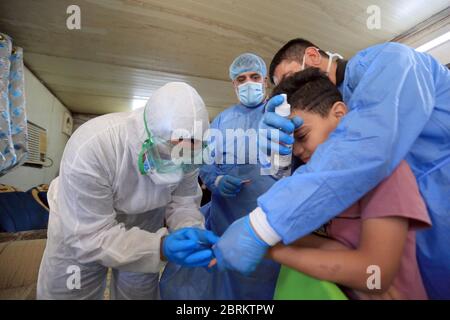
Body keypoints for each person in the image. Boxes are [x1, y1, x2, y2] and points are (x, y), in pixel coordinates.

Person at [212, 39, 450, 299]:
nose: (291, 92)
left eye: (292, 77)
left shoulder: (392, 61)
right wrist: (281, 158)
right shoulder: (338, 118)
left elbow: (368, 146)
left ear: (312, 56)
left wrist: (263, 227)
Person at [37, 82, 218, 300]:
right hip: (81, 221)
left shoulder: (190, 150)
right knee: (72, 291)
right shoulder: (93, 146)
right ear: (148, 136)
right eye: (170, 151)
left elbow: (184, 201)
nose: (179, 163)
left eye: (187, 154)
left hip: (145, 220)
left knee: (137, 292)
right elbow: (90, 237)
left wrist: (189, 229)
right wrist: (159, 248)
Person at [267, 68, 431, 299]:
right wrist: (265, 238)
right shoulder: (320, 179)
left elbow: (375, 276)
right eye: (290, 143)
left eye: (302, 136)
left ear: (340, 114)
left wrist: (275, 252)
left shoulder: (386, 173)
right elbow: (317, 238)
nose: (297, 150)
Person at [160, 53, 280, 299]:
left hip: (271, 223)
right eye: (241, 79)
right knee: (223, 285)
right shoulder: (222, 122)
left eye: (254, 77)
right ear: (234, 85)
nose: (248, 83)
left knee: (262, 284)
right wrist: (216, 180)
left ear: (265, 81)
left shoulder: (279, 115)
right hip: (225, 219)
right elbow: (203, 162)